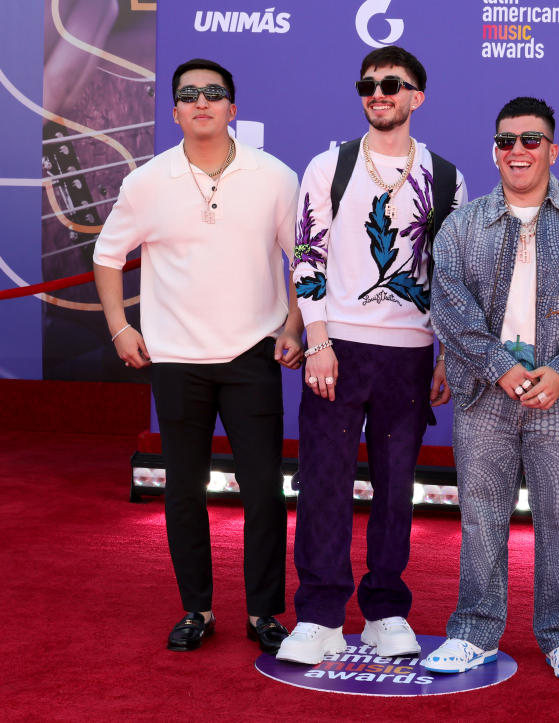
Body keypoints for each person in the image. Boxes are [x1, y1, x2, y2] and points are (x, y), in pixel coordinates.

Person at [93, 58, 302, 653]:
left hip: (251, 355)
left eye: (214, 93)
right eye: (189, 95)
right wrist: (118, 327)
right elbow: (107, 257)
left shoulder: (275, 177)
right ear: (176, 111)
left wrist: (293, 326)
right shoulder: (146, 182)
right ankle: (199, 610)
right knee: (184, 490)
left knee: (263, 489)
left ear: (232, 108)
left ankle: (265, 612)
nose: (202, 102)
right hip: (174, 359)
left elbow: (304, 263)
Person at [276, 46, 466, 665]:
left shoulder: (446, 176)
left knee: (394, 488)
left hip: (410, 354)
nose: (378, 93)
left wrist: (445, 353)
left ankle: (386, 609)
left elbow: (452, 275)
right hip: (339, 349)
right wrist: (320, 340)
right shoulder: (329, 166)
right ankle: (321, 615)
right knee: (325, 483)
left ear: (418, 96)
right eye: (368, 84)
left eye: (392, 84)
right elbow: (308, 257)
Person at [423, 97, 559, 680]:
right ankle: (475, 631)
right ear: (494, 150)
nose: (517, 151)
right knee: (482, 515)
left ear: (552, 150)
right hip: (487, 394)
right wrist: (499, 366)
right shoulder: (462, 224)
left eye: (530, 140)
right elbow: (449, 306)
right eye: (506, 141)